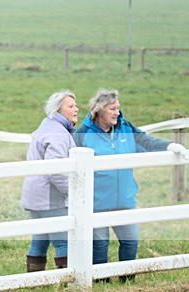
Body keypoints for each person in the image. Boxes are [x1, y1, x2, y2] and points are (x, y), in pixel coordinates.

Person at [73, 88, 187, 281]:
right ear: (99, 110)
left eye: (118, 108)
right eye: (112, 108)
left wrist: (170, 146)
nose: (117, 112)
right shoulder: (82, 134)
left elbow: (146, 141)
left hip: (126, 201)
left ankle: (127, 281)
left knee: (130, 242)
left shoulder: (126, 127)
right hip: (96, 204)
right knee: (99, 246)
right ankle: (101, 282)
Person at [20, 90, 79, 272]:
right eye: (70, 106)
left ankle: (34, 281)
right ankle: (69, 283)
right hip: (50, 199)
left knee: (40, 240)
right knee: (63, 243)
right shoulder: (58, 133)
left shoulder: (48, 126)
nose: (76, 109)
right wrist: (73, 191)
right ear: (58, 110)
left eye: (76, 105)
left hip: (36, 197)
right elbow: (56, 172)